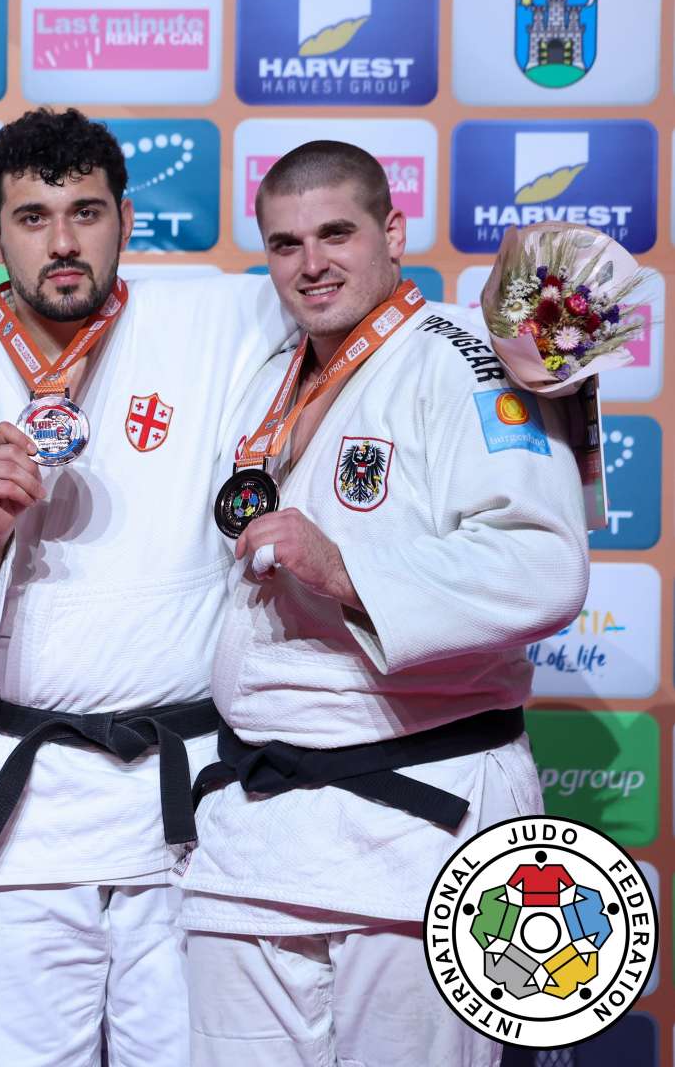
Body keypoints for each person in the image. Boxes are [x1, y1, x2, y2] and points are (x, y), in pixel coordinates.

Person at [0, 107, 293, 1066]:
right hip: (20, 821)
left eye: (85, 212)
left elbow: (354, 305)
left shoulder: (216, 319)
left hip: (184, 805)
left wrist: (540, 360)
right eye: (32, 217)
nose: (62, 243)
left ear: (126, 218)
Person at [179, 140, 589, 1067]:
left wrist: (346, 569)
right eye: (285, 244)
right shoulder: (276, 372)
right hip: (257, 826)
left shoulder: (471, 364)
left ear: (393, 232)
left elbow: (544, 563)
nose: (311, 263)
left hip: (418, 822)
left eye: (336, 233)